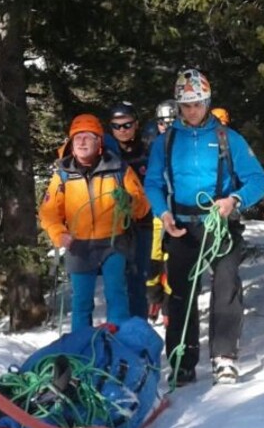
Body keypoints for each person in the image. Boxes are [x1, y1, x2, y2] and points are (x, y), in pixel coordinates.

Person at [144, 69, 264, 386]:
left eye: (197, 104)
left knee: (226, 287)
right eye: (185, 105)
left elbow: (259, 180)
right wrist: (163, 213)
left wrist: (234, 201)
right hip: (182, 226)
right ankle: (182, 362)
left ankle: (224, 357)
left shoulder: (228, 137)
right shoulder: (167, 141)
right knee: (180, 293)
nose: (192, 111)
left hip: (221, 224)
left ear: (207, 102)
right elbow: (153, 182)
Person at [39, 114, 150, 332]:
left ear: (99, 142)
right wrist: (58, 234)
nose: (81, 142)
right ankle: (82, 353)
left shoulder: (119, 169)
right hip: (78, 245)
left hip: (114, 243)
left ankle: (119, 350)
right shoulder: (63, 175)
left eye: (87, 137)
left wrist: (129, 202)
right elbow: (48, 212)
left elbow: (143, 206)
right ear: (71, 143)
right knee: (81, 303)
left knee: (116, 297)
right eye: (77, 137)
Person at [105, 101, 153, 319]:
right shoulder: (106, 152)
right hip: (115, 225)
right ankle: (117, 335)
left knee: (138, 281)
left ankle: (138, 333)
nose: (122, 130)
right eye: (117, 126)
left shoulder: (148, 149)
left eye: (127, 125)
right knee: (116, 284)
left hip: (143, 222)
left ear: (136, 124)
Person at [144, 99, 178, 322]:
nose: (166, 126)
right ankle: (153, 299)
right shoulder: (150, 143)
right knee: (153, 260)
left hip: (178, 210)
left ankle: (168, 307)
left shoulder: (187, 143)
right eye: (162, 122)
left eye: (171, 121)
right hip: (156, 210)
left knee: (172, 260)